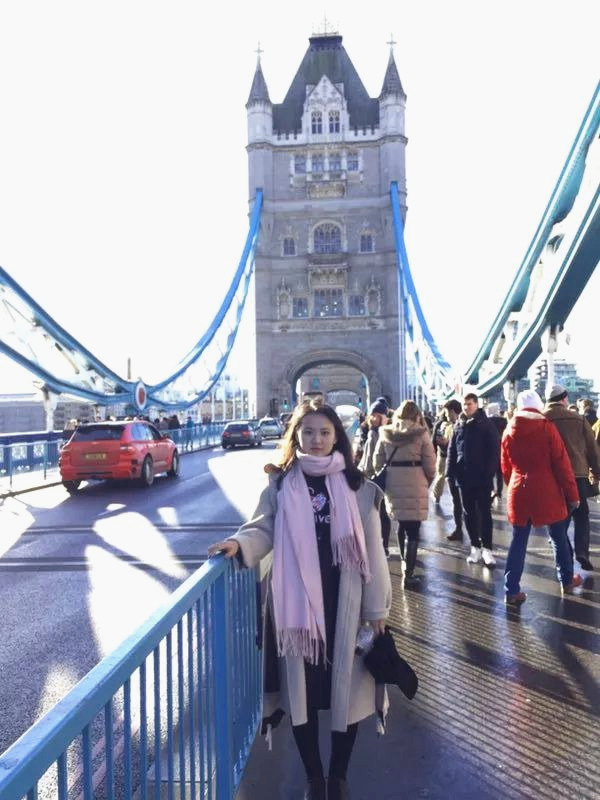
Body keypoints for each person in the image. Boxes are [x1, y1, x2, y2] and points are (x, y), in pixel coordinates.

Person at [207, 400, 391, 800]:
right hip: (297, 606)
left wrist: (377, 609)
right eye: (308, 432)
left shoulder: (359, 488)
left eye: (324, 432)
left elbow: (374, 553)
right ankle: (314, 778)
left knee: (348, 693)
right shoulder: (280, 486)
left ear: (337, 437)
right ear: (297, 437)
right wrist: (239, 544)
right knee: (300, 694)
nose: (317, 439)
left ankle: (338, 777)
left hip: (345, 602)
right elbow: (262, 528)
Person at [501, 390, 582, 605]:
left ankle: (511, 590)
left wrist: (513, 485)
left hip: (519, 490)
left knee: (518, 540)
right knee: (558, 536)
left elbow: (505, 467)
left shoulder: (509, 429)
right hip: (548, 490)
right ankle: (566, 580)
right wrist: (572, 495)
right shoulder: (546, 428)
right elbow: (562, 465)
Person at [373, 401, 436, 587]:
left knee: (401, 524)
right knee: (413, 529)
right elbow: (430, 464)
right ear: (417, 415)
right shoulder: (421, 433)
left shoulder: (386, 432)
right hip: (416, 480)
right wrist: (426, 480)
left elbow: (377, 461)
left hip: (393, 482)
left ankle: (403, 564)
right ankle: (409, 573)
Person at [544, 384, 600, 571]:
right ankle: (582, 551)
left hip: (552, 476)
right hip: (578, 474)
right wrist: (597, 472)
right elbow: (592, 449)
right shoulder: (578, 418)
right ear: (564, 398)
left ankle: (564, 556)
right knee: (581, 514)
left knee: (558, 519)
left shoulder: (542, 419)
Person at [446, 392, 500, 566]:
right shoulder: (459, 424)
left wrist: (489, 473)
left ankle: (487, 549)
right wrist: (450, 472)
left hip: (482, 477)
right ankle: (475, 547)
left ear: (476, 404)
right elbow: (452, 450)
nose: (466, 407)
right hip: (463, 477)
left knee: (484, 513)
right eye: (464, 404)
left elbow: (494, 451)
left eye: (469, 404)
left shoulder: (486, 424)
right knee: (468, 513)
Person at [357, 397, 392, 556]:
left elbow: (372, 459)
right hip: (372, 477)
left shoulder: (382, 433)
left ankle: (382, 546)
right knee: (376, 513)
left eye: (378, 415)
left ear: (384, 417)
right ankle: (380, 545)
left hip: (376, 478)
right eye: (373, 415)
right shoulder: (370, 432)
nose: (374, 418)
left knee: (381, 513)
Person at [485, 403, 507, 500]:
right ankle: (499, 491)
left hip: (489, 449)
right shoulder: (504, 421)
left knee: (490, 472)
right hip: (501, 448)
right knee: (499, 472)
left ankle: (491, 490)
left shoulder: (487, 421)